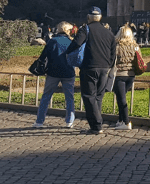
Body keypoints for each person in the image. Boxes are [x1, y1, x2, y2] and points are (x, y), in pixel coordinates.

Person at [65, 7, 118, 135]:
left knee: (89, 96)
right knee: (98, 97)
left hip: (89, 67)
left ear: (88, 17)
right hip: (104, 68)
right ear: (100, 18)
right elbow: (113, 52)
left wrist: (68, 51)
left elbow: (77, 43)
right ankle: (95, 126)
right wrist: (109, 64)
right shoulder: (108, 32)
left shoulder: (85, 29)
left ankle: (97, 124)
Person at [33, 22, 77, 128]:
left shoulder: (53, 41)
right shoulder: (72, 42)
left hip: (53, 72)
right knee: (69, 97)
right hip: (68, 72)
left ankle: (39, 121)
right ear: (69, 31)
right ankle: (69, 120)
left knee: (46, 96)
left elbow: (43, 56)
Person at [111, 24, 141, 130]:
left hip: (119, 75)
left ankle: (127, 122)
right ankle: (120, 120)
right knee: (121, 98)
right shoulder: (135, 46)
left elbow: (112, 60)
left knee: (121, 99)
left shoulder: (116, 46)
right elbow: (139, 59)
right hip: (131, 75)